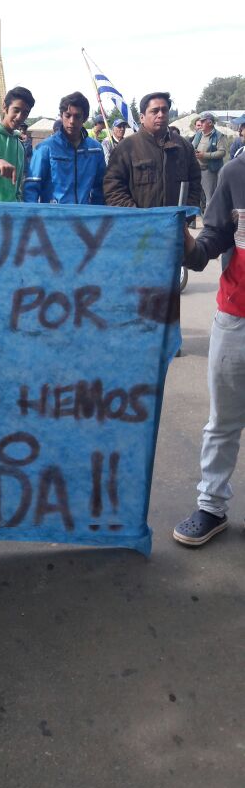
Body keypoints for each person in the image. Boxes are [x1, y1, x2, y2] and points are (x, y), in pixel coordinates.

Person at [173, 157, 245, 546]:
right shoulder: (237, 173)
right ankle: (211, 507)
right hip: (237, 318)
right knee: (223, 423)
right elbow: (214, 237)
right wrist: (190, 247)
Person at [104, 92, 201, 208]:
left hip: (176, 223)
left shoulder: (184, 147)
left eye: (164, 110)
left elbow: (195, 185)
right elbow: (113, 189)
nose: (161, 115)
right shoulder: (125, 148)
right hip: (139, 223)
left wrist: (185, 216)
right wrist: (137, 216)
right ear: (142, 117)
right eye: (154, 111)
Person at [23, 91, 105, 205]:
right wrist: (33, 218)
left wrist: (97, 216)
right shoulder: (45, 149)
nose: (72, 121)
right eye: (68, 116)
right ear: (61, 116)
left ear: (85, 118)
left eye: (77, 116)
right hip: (53, 219)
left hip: (85, 219)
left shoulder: (95, 150)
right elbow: (31, 188)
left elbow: (100, 187)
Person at [192, 112, 227, 208]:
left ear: (210, 123)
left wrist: (205, 155)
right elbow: (192, 146)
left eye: (203, 121)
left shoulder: (219, 136)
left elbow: (222, 152)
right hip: (197, 170)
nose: (201, 123)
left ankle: (209, 221)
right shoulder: (199, 134)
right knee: (198, 198)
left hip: (209, 171)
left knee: (209, 198)